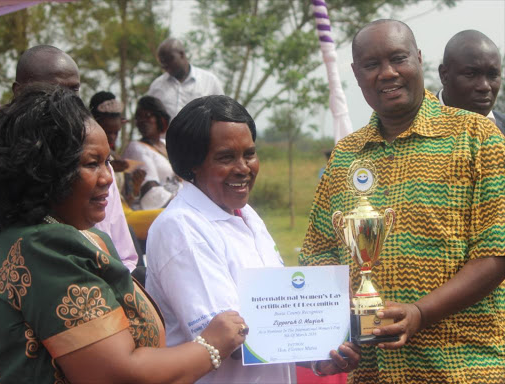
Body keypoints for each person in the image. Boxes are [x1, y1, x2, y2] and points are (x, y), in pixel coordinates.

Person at [0, 83, 247, 383]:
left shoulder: (78, 237)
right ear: (47, 170)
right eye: (92, 164)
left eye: (108, 162)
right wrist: (212, 345)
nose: (108, 179)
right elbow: (118, 374)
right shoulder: (46, 247)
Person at [299, 19, 505, 383]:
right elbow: (318, 255)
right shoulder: (346, 154)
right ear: (356, 74)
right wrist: (333, 334)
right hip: (371, 372)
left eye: (399, 59)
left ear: (419, 60)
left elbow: (496, 253)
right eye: (372, 65)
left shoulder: (477, 136)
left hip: (464, 368)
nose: (388, 73)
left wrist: (420, 312)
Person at [145, 95, 361, 383]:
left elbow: (273, 313)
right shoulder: (181, 227)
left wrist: (321, 354)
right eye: (225, 157)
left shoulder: (246, 215)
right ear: (192, 164)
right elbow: (227, 337)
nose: (243, 168)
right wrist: (313, 328)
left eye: (249, 154)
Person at [8, 45, 139, 271]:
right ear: (19, 91)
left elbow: (125, 259)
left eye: (73, 91)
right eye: (51, 90)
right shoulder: (7, 172)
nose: (64, 102)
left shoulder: (99, 171)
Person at [438, 30, 504, 133]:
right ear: (444, 75)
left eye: (492, 75)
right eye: (471, 74)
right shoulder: (412, 128)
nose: (485, 87)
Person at [123, 96, 181, 210]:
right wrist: (178, 184)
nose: (142, 121)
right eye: (138, 117)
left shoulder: (166, 144)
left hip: (175, 204)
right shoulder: (136, 148)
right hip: (150, 213)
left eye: (148, 116)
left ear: (160, 118)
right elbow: (151, 197)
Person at [147, 37, 224, 121]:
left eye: (169, 59)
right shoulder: (156, 86)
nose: (165, 65)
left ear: (182, 54)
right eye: (162, 62)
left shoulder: (209, 81)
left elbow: (222, 114)